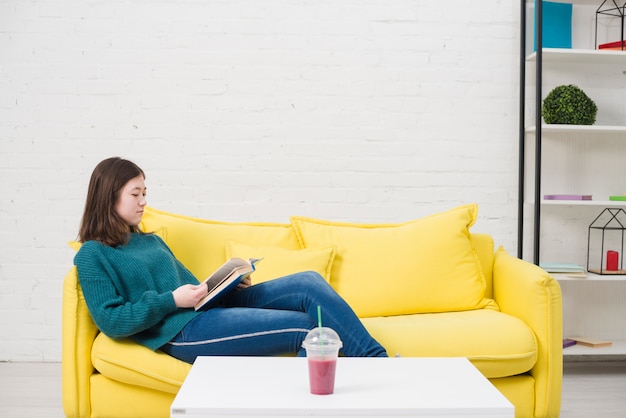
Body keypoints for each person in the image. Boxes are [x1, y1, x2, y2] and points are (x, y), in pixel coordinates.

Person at [74, 157, 388, 363]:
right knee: (308, 329)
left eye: (145, 192)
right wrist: (170, 300)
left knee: (308, 283)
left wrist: (227, 286)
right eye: (135, 194)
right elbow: (112, 321)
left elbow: (191, 289)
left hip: (203, 310)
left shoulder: (150, 240)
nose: (144, 201)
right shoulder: (92, 254)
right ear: (109, 195)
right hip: (179, 332)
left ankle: (378, 364)